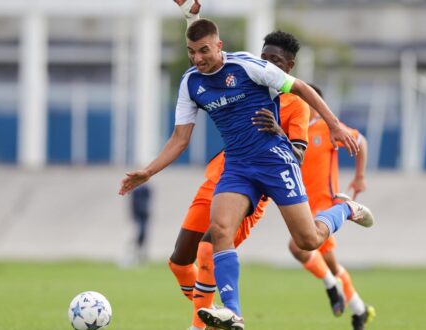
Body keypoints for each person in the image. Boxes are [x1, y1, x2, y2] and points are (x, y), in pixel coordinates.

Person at [119, 14, 373, 330]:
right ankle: (233, 314)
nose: (197, 59)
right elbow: (180, 138)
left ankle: (344, 208)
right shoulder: (191, 83)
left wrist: (333, 125)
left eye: (204, 52)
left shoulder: (248, 67)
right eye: (191, 52)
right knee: (219, 230)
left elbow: (302, 89)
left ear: (219, 47)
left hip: (275, 163)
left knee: (307, 241)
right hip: (237, 167)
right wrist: (149, 171)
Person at [166, 14, 311, 329]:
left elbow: (297, 155)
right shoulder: (247, 75)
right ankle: (214, 312)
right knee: (178, 261)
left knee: (209, 248)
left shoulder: (295, 105)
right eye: (264, 58)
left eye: (276, 61)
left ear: (289, 67)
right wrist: (193, 17)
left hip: (254, 187)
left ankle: (207, 322)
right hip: (218, 179)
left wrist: (280, 134)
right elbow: (211, 60)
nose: (268, 65)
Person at [287, 84, 376, 330]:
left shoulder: (327, 128)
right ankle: (358, 309)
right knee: (330, 263)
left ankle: (332, 287)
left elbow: (361, 141)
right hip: (301, 206)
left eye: (301, 99)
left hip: (326, 206)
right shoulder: (292, 131)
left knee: (298, 247)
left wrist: (360, 177)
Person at [129, 184, 152, 265]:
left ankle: (141, 257)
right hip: (138, 216)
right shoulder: (136, 190)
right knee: (138, 234)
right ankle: (133, 255)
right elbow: (133, 203)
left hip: (144, 215)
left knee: (143, 234)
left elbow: (148, 201)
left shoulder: (147, 188)